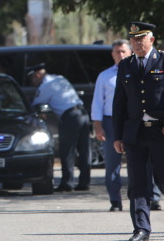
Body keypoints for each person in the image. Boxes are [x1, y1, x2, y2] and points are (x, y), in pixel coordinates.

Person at [111, 22, 164, 241]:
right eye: (133, 39)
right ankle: (141, 228)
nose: (136, 43)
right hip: (134, 133)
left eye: (140, 38)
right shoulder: (125, 66)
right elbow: (119, 104)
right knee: (137, 183)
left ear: (151, 40)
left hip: (160, 131)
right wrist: (117, 136)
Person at [27, 63, 90, 192]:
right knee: (84, 150)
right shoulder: (59, 78)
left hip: (70, 117)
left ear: (37, 75)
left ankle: (67, 183)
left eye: (32, 79)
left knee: (67, 151)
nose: (32, 82)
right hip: (83, 113)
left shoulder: (45, 86)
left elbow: (35, 105)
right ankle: (84, 182)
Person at [91, 39, 131, 211]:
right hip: (111, 122)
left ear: (130, 53)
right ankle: (115, 200)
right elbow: (98, 102)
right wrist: (98, 126)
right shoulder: (105, 76)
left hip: (133, 121)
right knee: (112, 163)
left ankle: (151, 197)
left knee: (143, 160)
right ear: (112, 54)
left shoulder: (138, 71)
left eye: (123, 51)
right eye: (117, 52)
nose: (120, 55)